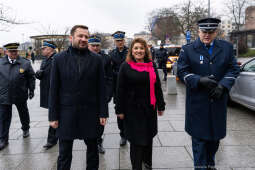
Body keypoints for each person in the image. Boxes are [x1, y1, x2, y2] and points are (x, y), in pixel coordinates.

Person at [177, 18, 240, 170]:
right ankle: (200, 166)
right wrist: (199, 80)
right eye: (204, 31)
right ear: (198, 31)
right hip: (197, 103)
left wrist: (223, 86)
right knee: (199, 140)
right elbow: (181, 70)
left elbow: (233, 69)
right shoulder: (188, 49)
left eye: (210, 32)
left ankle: (210, 163)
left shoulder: (226, 48)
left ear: (216, 32)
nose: (207, 35)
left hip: (218, 101)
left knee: (215, 139)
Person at [48, 25, 108, 170]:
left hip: (91, 113)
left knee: (93, 151)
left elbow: (101, 88)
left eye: (86, 37)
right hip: (66, 114)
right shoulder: (58, 59)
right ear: (71, 38)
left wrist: (103, 112)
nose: (83, 39)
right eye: (80, 36)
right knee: (64, 153)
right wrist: (53, 116)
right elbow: (54, 89)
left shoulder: (97, 59)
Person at [116, 38, 165, 170]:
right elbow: (119, 89)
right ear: (131, 50)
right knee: (137, 142)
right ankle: (136, 166)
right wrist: (119, 110)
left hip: (149, 109)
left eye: (141, 48)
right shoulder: (125, 66)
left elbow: (157, 86)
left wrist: (161, 105)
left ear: (146, 50)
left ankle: (147, 164)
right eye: (136, 48)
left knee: (148, 138)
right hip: (133, 110)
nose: (139, 51)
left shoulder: (151, 64)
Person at [0, 43, 35, 150]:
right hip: (4, 95)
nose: (14, 53)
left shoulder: (25, 63)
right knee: (4, 118)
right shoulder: (0, 63)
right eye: (11, 51)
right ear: (6, 52)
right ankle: (3, 139)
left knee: (23, 112)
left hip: (20, 93)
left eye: (15, 51)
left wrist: (31, 90)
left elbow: (31, 77)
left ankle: (25, 128)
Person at [88, 34, 113, 154]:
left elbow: (109, 78)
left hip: (101, 95)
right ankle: (90, 140)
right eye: (92, 45)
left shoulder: (106, 58)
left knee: (101, 120)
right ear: (88, 45)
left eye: (97, 45)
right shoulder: (82, 57)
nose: (95, 48)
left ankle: (98, 141)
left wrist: (108, 95)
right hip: (86, 96)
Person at [35, 41, 58, 150]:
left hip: (56, 93)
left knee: (54, 115)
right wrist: (38, 74)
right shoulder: (45, 60)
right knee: (55, 115)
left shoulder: (57, 59)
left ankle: (51, 140)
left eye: (44, 48)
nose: (42, 50)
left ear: (50, 49)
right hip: (47, 92)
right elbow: (44, 74)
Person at [109, 31, 129, 146]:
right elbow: (109, 71)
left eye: (121, 40)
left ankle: (131, 131)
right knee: (119, 111)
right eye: (117, 41)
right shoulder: (111, 54)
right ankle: (123, 134)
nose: (119, 42)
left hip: (130, 86)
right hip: (117, 87)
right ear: (115, 42)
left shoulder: (130, 52)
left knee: (131, 110)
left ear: (124, 40)